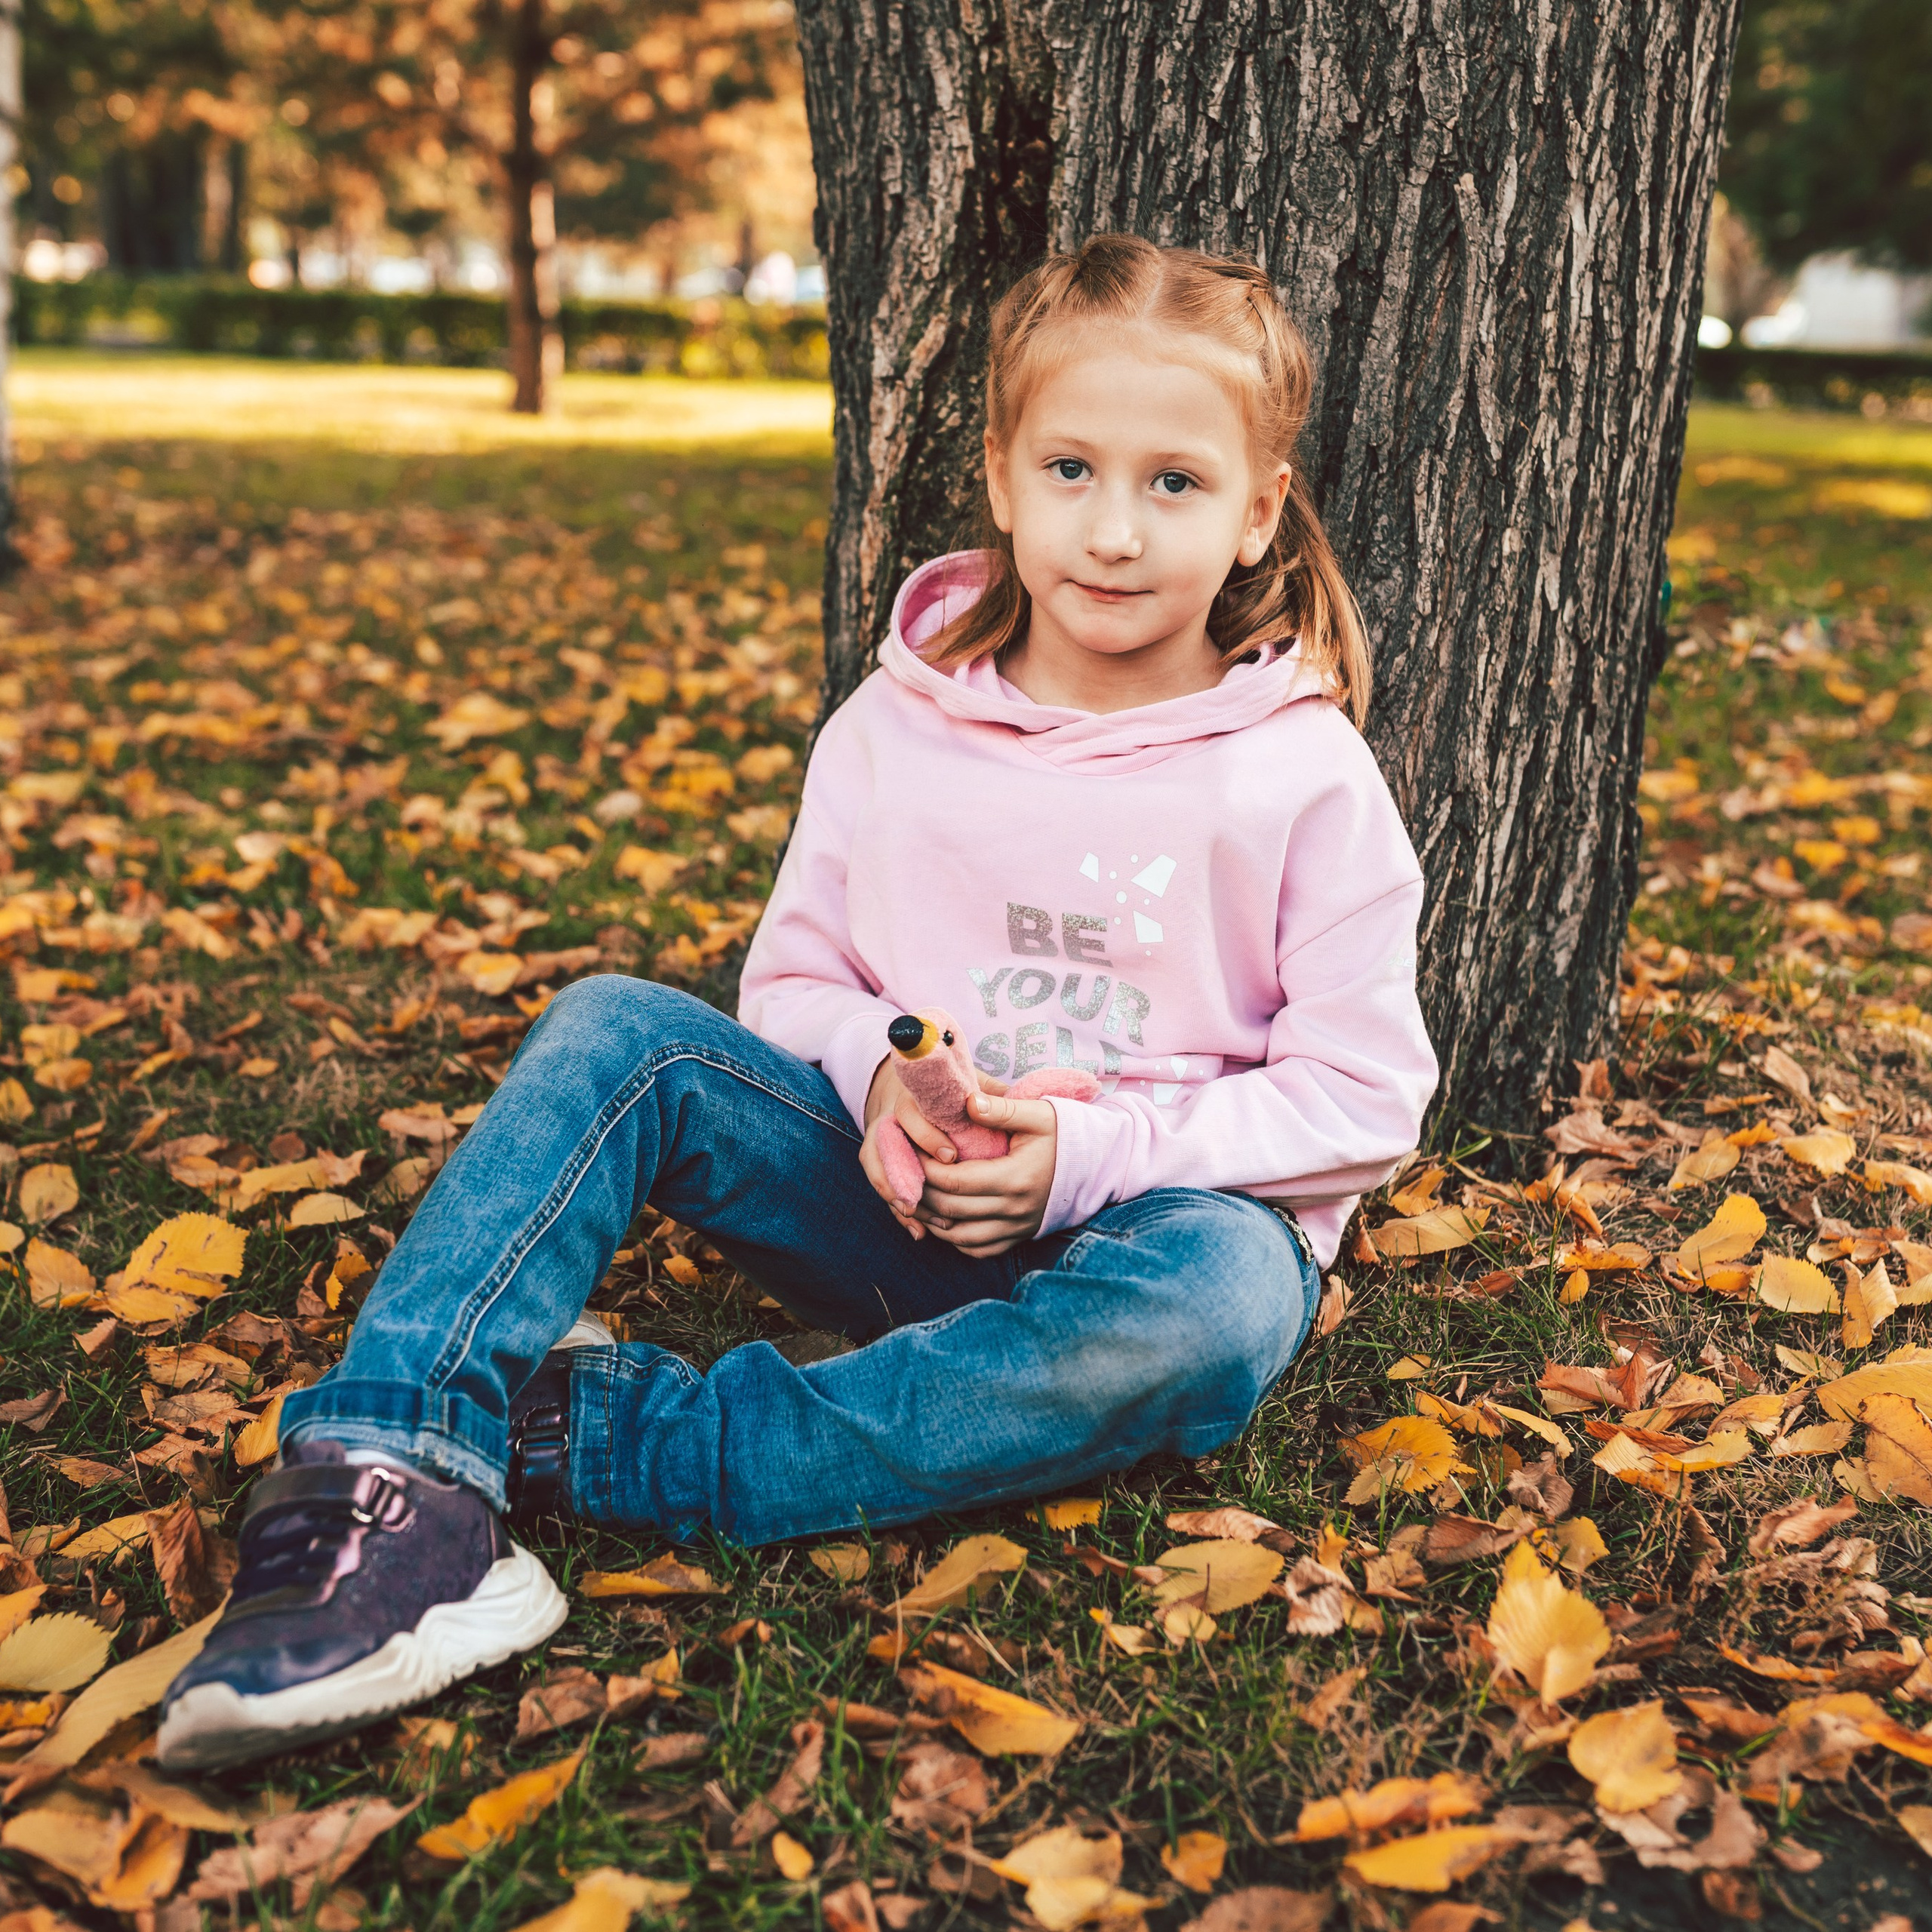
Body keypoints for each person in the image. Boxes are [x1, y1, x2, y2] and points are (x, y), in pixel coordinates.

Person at [158, 235, 1438, 1770]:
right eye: (1071, 468)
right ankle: (391, 1470)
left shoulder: (1298, 770)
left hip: (1153, 1238)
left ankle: (607, 1440)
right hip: (891, 1204)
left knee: (1221, 1309)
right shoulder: (899, 721)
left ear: (1255, 513)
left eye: (1173, 482)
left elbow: (1361, 1098)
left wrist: (1084, 1160)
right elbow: (795, 978)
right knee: (616, 1028)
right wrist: (879, 1082)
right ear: (1001, 473)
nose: (1111, 529)